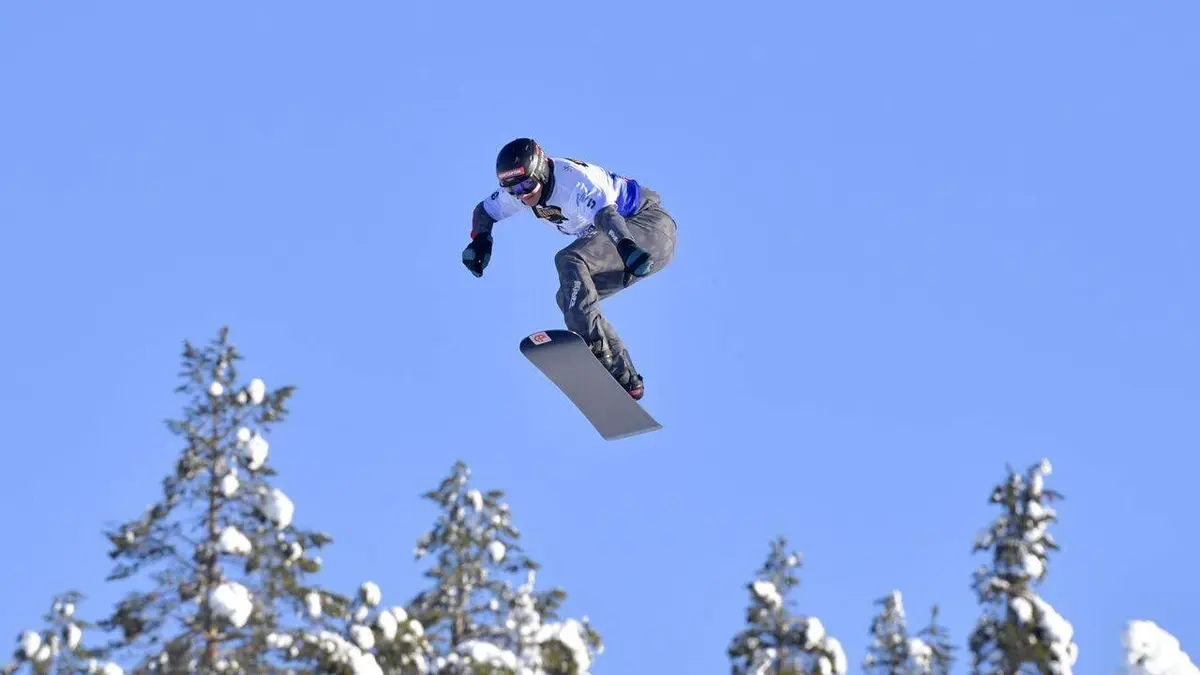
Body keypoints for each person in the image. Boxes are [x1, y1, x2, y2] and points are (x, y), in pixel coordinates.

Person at [462, 138, 678, 400]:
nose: (522, 194)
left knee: (570, 260)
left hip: (648, 228)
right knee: (569, 296)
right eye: (513, 189)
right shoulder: (523, 193)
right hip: (627, 244)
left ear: (541, 171)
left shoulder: (574, 182)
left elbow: (606, 217)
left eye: (527, 185)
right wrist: (481, 241)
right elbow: (485, 211)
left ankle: (596, 348)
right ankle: (625, 376)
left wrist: (627, 247)